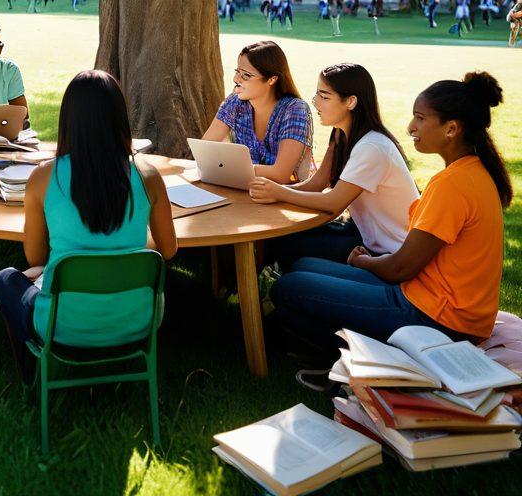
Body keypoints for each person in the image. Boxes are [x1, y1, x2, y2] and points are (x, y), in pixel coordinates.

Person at [271, 72, 512, 373]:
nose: (411, 127)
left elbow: (401, 268)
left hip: (439, 318)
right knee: (306, 266)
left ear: (451, 129)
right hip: (432, 299)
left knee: (290, 287)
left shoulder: (452, 184)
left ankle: (346, 362)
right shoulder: (471, 173)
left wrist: (364, 264)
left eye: (421, 119)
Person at [0, 70, 178, 375]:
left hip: (61, 324)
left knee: (6, 279)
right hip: (139, 319)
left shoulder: (42, 178)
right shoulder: (148, 176)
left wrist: (62, 260)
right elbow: (168, 250)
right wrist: (124, 243)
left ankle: (31, 372)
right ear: (120, 116)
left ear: (68, 119)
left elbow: (35, 257)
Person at [250, 63, 419, 269]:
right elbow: (316, 184)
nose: (315, 102)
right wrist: (270, 191)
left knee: (291, 245)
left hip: (388, 251)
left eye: (324, 96)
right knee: (281, 235)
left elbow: (333, 203)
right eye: (317, 95)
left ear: (350, 101)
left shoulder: (372, 147)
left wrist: (279, 193)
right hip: (362, 234)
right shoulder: (340, 134)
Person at [202, 40, 314, 182]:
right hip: (242, 190)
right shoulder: (236, 101)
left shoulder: (294, 109)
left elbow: (281, 174)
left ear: (272, 79)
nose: (236, 79)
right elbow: (204, 151)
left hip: (285, 196)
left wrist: (230, 167)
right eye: (238, 72)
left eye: (246, 75)